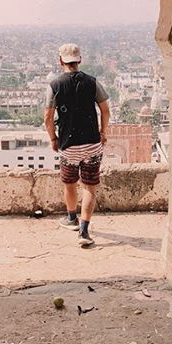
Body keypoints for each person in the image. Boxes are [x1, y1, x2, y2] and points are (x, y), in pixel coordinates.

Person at [44, 43, 110, 247]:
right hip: (91, 142)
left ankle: (71, 217)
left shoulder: (55, 85)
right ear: (79, 60)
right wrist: (103, 132)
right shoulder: (92, 82)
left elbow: (47, 117)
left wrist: (53, 139)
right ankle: (84, 231)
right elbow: (105, 111)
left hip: (68, 144)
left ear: (60, 61)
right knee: (89, 187)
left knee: (70, 183)